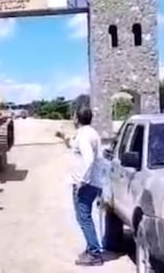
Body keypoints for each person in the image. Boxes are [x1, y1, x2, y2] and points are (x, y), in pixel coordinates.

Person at [57, 106, 105, 266]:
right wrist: (64, 138)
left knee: (84, 217)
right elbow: (75, 146)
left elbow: (88, 159)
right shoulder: (89, 133)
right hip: (92, 181)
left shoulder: (85, 136)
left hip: (86, 183)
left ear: (77, 118)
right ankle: (91, 247)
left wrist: (82, 182)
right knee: (84, 217)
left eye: (74, 116)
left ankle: (95, 253)